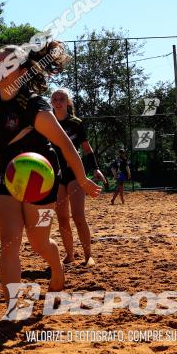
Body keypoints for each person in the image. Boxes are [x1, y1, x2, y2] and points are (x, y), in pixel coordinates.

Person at [0, 42, 101, 305]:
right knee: (9, 242)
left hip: (42, 180)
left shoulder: (33, 105)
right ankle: (13, 305)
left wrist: (81, 178)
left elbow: (65, 144)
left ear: (22, 72)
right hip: (7, 179)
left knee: (39, 242)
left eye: (7, 65)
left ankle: (57, 267)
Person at [50, 87, 107, 267]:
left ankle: (88, 255)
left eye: (62, 98)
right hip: (57, 176)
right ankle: (69, 255)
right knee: (62, 218)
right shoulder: (47, 122)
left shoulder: (75, 123)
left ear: (68, 102)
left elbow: (87, 149)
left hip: (75, 173)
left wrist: (95, 169)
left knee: (78, 215)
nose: (58, 101)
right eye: (55, 98)